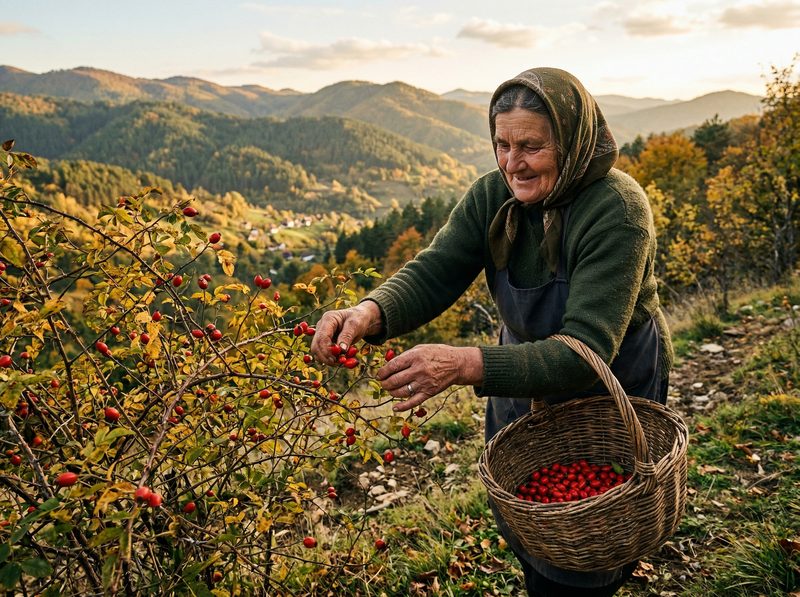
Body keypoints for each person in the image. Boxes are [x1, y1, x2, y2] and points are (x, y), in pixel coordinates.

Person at [309, 67, 673, 597]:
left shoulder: (616, 209)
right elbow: (436, 269)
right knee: (529, 512)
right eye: (501, 144)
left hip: (607, 379)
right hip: (518, 371)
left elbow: (585, 351)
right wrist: (368, 312)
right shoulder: (492, 196)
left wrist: (462, 364)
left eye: (531, 146)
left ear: (572, 142)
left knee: (591, 531)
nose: (511, 162)